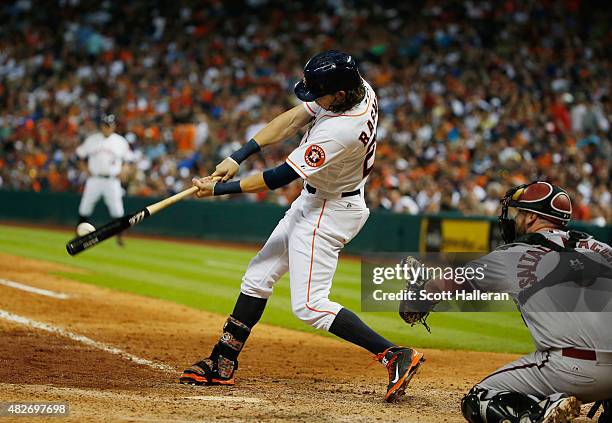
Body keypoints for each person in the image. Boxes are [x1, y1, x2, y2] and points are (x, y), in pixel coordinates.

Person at [180, 50, 425, 402]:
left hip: (331, 208)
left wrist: (219, 189)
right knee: (258, 276)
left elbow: (279, 177)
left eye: (319, 92)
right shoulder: (357, 89)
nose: (312, 98)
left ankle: (395, 354)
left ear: (339, 95)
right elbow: (294, 117)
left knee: (309, 305)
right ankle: (223, 361)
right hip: (318, 199)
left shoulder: (342, 129)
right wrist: (238, 156)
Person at [402, 181, 612, 422]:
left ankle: (539, 411)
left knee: (479, 399)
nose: (516, 219)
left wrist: (415, 300)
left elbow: (448, 285)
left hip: (573, 371)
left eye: (520, 213)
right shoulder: (602, 247)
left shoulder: (513, 254)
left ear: (532, 217)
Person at [75, 114, 133, 245]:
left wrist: (124, 169)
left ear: (113, 126)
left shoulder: (120, 141)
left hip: (112, 180)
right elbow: (79, 156)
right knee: (85, 206)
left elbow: (129, 160)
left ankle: (120, 237)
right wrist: (84, 168)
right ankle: (78, 236)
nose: (107, 128)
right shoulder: (92, 140)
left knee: (117, 210)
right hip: (94, 179)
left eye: (109, 126)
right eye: (105, 125)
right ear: (101, 126)